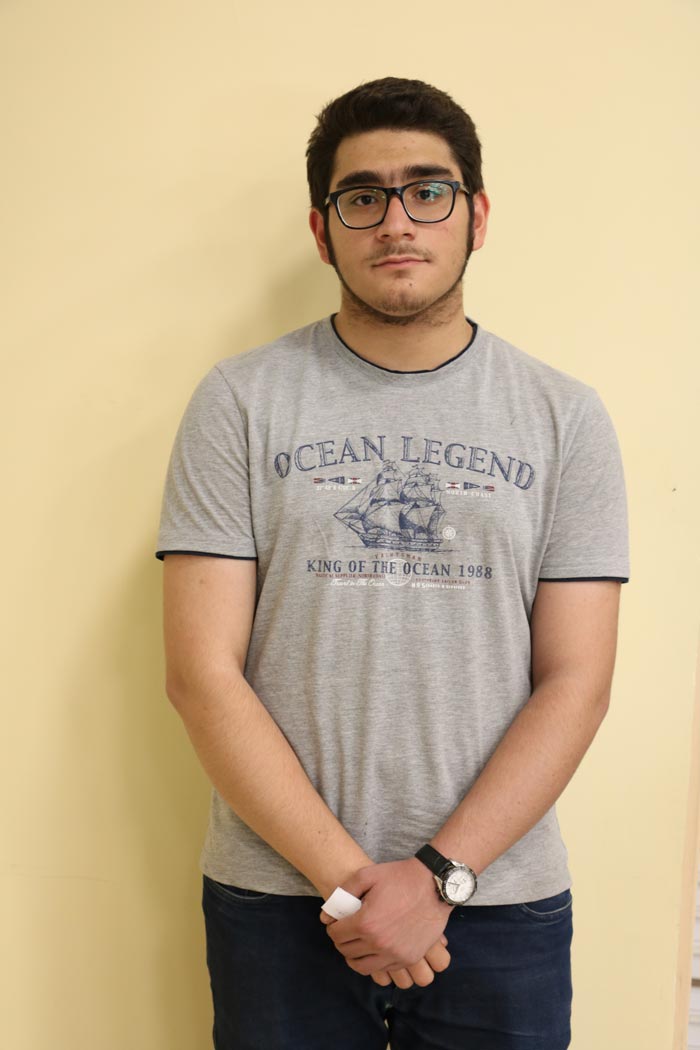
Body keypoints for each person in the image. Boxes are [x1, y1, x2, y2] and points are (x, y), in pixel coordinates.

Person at [156, 77, 629, 1050]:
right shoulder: (238, 403)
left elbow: (577, 681)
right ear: (322, 231)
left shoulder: (564, 417)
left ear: (477, 216)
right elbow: (202, 674)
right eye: (362, 197)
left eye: (428, 190)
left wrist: (437, 879)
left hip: (498, 901)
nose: (397, 221)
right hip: (279, 899)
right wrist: (356, 889)